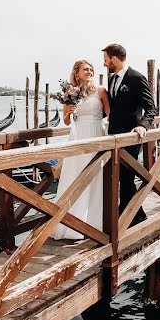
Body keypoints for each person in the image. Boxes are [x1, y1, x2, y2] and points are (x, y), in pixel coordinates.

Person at [52, 60, 110, 240]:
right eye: (86, 69)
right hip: (77, 138)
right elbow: (67, 121)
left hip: (96, 134)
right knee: (76, 176)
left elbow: (110, 114)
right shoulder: (70, 92)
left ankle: (95, 223)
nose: (90, 71)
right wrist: (69, 111)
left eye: (91, 69)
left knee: (96, 178)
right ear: (77, 73)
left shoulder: (100, 91)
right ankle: (72, 223)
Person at [102, 43, 157, 225]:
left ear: (114, 59)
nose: (104, 64)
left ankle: (125, 218)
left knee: (127, 177)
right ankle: (136, 214)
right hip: (113, 137)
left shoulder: (136, 78)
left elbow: (151, 108)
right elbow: (111, 108)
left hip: (131, 135)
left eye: (106, 60)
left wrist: (143, 126)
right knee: (118, 177)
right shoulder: (111, 80)